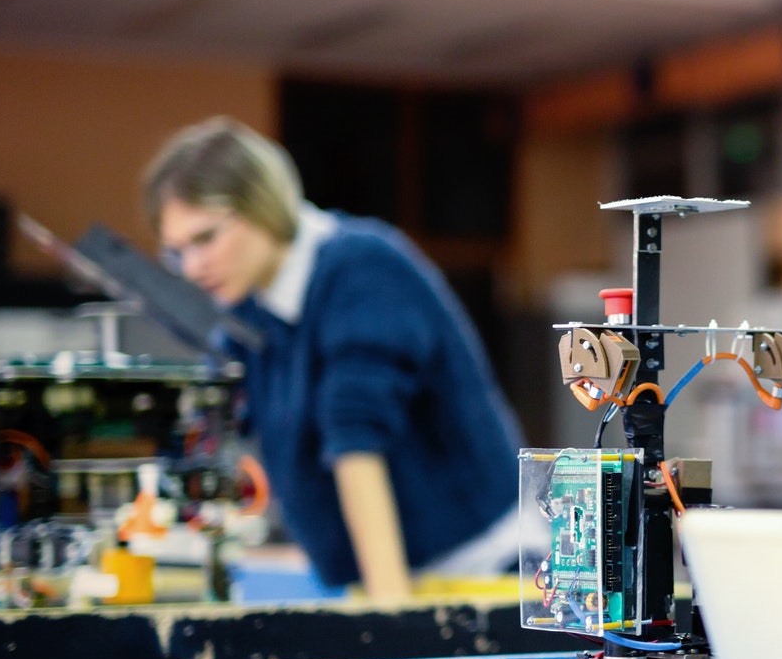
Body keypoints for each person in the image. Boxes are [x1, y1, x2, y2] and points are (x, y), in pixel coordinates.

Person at [143, 117, 522, 599]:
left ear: (262, 207)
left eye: (205, 239)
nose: (193, 268)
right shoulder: (250, 311)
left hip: (483, 570)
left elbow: (356, 442)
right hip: (388, 577)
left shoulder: (362, 268)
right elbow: (220, 420)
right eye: (176, 252)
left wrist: (393, 623)